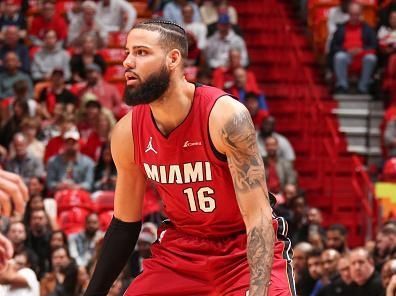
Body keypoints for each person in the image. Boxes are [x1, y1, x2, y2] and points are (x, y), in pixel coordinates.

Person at [84, 19, 295, 295]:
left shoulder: (226, 117)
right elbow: (125, 224)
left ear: (173, 59)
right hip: (181, 252)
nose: (127, 62)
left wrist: (257, 291)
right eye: (126, 52)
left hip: (243, 248)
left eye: (141, 52)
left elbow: (257, 217)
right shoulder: (127, 132)